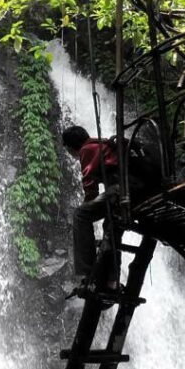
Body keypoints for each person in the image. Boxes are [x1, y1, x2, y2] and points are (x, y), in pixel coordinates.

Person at [62, 125, 122, 292]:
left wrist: (87, 205)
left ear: (70, 146)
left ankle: (89, 274)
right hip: (134, 189)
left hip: (121, 191)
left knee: (80, 215)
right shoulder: (102, 144)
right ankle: (112, 280)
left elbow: (90, 188)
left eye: (67, 149)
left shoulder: (87, 149)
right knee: (111, 230)